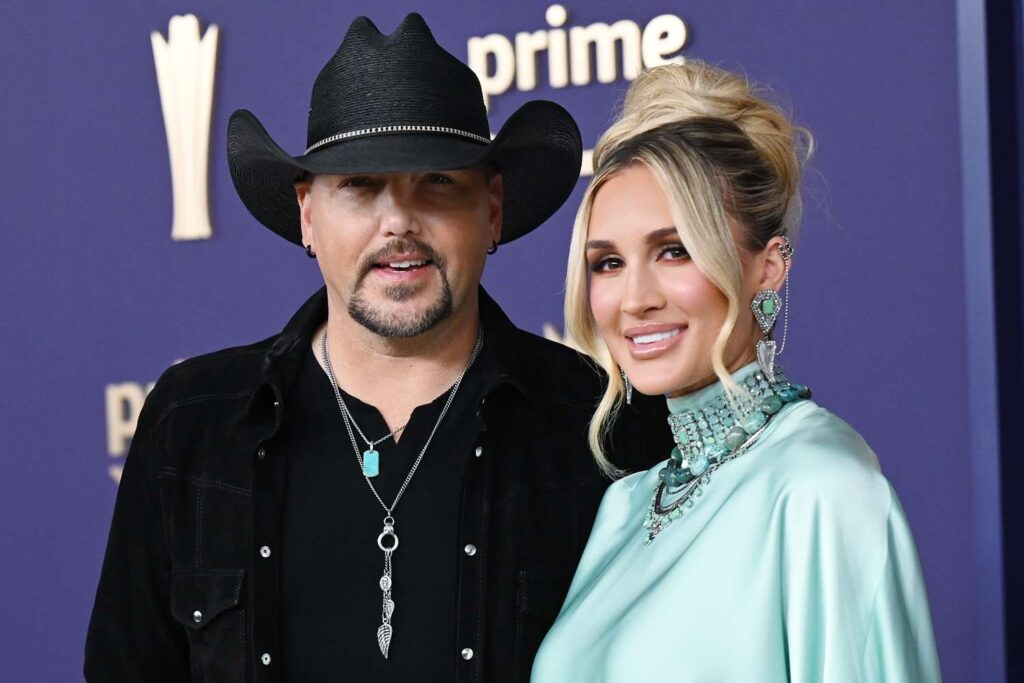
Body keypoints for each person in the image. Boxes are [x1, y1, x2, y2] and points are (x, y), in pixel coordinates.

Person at [84, 14, 670, 683]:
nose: (398, 222)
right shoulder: (192, 422)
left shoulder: (602, 422)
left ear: (492, 209)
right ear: (308, 214)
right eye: (360, 185)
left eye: (437, 182)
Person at [532, 61, 942, 682]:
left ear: (768, 268)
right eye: (608, 263)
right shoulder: (625, 505)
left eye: (675, 251)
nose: (634, 298)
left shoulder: (819, 487)